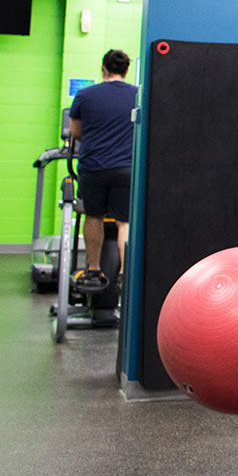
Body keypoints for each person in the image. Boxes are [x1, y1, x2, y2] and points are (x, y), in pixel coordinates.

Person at [66, 49, 137, 293]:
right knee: (124, 222)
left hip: (93, 167)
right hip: (126, 169)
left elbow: (75, 133)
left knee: (93, 216)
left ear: (103, 68)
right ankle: (124, 274)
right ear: (126, 70)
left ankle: (94, 269)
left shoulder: (85, 95)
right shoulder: (138, 95)